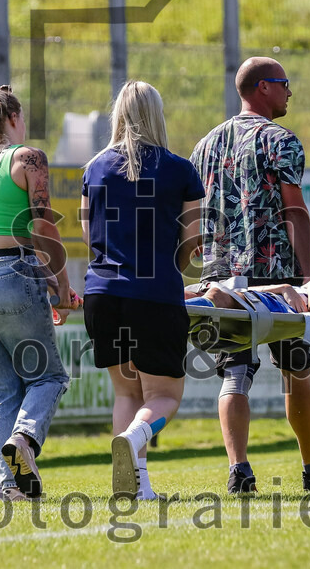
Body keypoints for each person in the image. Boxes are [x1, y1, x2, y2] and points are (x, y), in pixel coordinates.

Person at [190, 56, 310, 494]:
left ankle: (239, 470)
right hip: (277, 278)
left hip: (222, 281)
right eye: (284, 82)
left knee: (234, 372)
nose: (290, 91)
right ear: (263, 87)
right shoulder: (280, 140)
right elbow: (294, 210)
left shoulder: (204, 146)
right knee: (297, 368)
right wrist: (308, 279)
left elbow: (195, 215)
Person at [81, 81, 204, 500]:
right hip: (153, 294)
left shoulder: (94, 168)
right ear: (157, 114)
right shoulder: (180, 169)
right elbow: (193, 240)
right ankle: (134, 440)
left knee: (127, 392)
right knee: (165, 396)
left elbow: (89, 235)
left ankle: (137, 486)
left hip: (102, 293)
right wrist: (169, 271)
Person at [0, 85, 73, 501]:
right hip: (8, 274)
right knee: (49, 376)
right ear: (14, 118)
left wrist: (49, 280)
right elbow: (42, 225)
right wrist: (64, 283)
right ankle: (23, 439)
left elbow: (4, 233)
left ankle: (10, 486)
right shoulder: (27, 157)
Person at [189, 276, 310, 316]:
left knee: (217, 296)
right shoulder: (298, 291)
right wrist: (283, 288)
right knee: (189, 294)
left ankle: (175, 311)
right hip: (249, 295)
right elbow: (246, 289)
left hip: (265, 305)